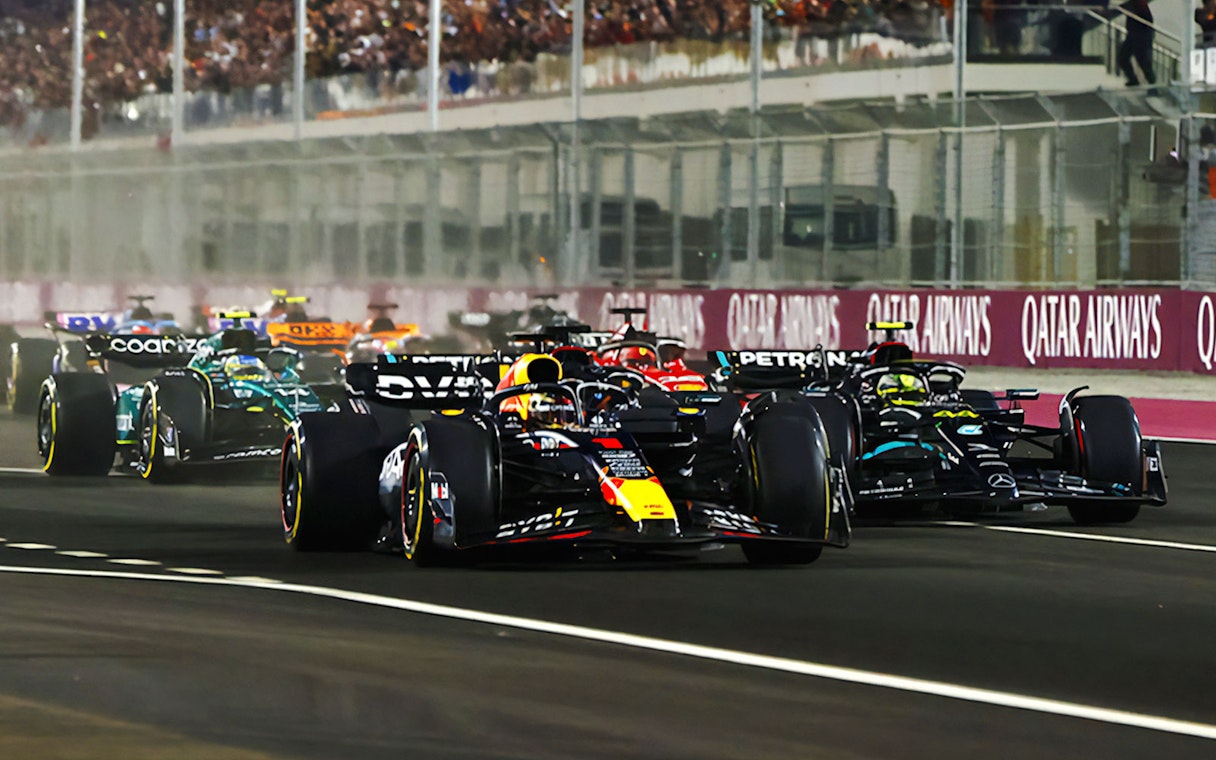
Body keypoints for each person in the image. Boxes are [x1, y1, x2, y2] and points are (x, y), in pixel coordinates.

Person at [1118, 0, 1155, 86]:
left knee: (1143, 62)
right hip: (1133, 35)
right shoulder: (1132, 4)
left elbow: (1147, 21)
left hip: (1141, 36)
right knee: (1123, 58)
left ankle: (1152, 85)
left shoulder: (1138, 3)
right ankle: (1133, 80)